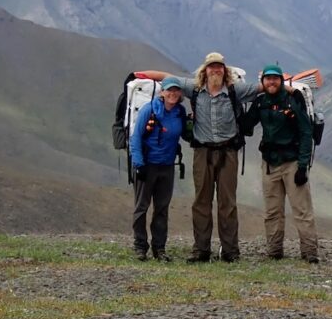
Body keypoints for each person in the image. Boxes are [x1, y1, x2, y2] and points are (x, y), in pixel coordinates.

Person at [136, 52, 261, 263]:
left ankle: (230, 251)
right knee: (201, 202)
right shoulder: (193, 88)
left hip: (228, 151)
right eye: (212, 67)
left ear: (225, 70)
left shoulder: (235, 91)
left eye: (219, 67)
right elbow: (167, 77)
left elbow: (263, 87)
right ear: (205, 70)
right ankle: (201, 250)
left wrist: (285, 83)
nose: (216, 70)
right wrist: (137, 75)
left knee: (227, 203)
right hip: (202, 152)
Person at [241, 64, 320, 263]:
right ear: (263, 82)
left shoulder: (292, 101)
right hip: (269, 163)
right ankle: (275, 251)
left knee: (302, 210)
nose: (272, 82)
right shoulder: (260, 103)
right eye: (268, 79)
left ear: (281, 81)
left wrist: (303, 166)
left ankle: (310, 253)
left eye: (275, 78)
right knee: (272, 211)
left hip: (292, 162)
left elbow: (305, 132)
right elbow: (247, 125)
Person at [129, 75, 187, 262]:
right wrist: (139, 164)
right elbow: (136, 137)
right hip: (148, 165)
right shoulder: (149, 110)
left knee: (162, 208)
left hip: (167, 166)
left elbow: (186, 134)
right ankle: (140, 246)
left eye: (176, 90)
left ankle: (159, 248)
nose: (173, 93)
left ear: (180, 94)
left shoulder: (180, 112)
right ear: (162, 92)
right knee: (142, 207)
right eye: (169, 90)